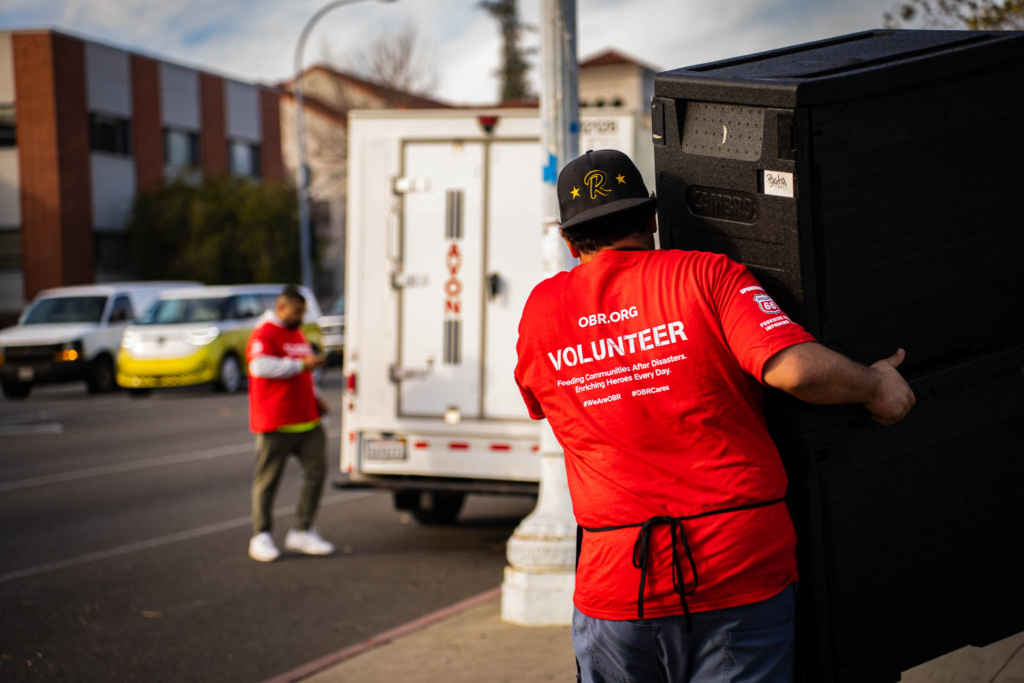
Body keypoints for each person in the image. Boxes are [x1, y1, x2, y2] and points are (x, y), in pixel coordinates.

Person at [513, 150, 915, 683]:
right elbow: (795, 370)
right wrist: (876, 385)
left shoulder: (542, 310)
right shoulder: (704, 274)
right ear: (651, 220)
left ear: (570, 242)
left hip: (618, 583)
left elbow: (539, 402)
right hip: (736, 570)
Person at [246, 285, 335, 562]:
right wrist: (299, 365)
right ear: (281, 308)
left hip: (307, 420)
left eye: (303, 312)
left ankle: (303, 530)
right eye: (297, 312)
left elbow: (305, 372)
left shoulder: (296, 332)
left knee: (317, 471)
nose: (301, 317)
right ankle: (261, 535)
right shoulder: (265, 332)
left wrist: (317, 398)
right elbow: (259, 366)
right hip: (276, 421)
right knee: (268, 479)